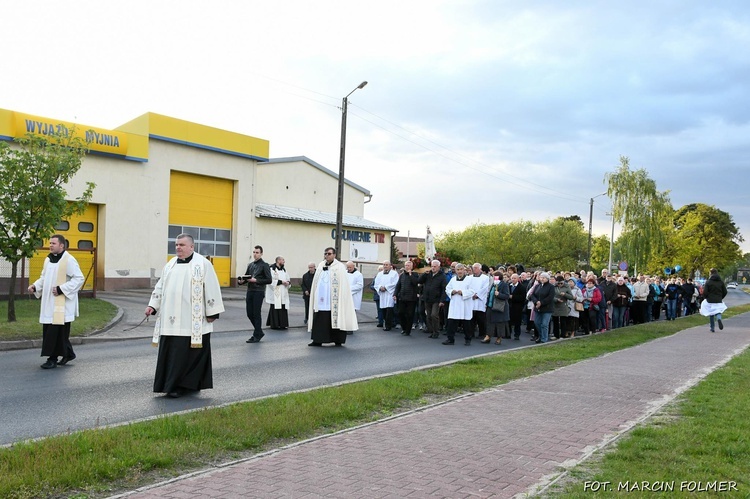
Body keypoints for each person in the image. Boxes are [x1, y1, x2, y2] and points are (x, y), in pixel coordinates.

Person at [145, 234, 224, 398]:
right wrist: (152, 305)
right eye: (176, 245)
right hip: (170, 320)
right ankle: (169, 384)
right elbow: (160, 287)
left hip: (192, 321)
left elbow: (212, 286)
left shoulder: (202, 264)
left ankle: (186, 385)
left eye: (181, 245)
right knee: (172, 354)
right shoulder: (170, 264)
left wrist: (212, 312)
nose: (178, 248)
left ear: (191, 247)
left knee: (191, 355)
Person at [28, 235, 84, 369]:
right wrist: (35, 286)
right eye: (50, 243)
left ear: (61, 246)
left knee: (55, 331)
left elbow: (79, 278)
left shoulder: (69, 260)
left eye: (53, 243)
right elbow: (44, 277)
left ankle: (52, 359)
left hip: (62, 303)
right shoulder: (48, 259)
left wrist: (61, 289)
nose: (50, 245)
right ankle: (68, 354)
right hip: (49, 302)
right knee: (56, 332)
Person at [307, 247, 358, 346]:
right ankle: (317, 340)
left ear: (334, 255)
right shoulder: (321, 265)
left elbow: (344, 285)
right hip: (322, 300)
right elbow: (315, 283)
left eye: (329, 254)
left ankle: (337, 340)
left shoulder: (339, 267)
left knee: (335, 318)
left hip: (334, 300)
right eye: (325, 253)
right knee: (320, 318)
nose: (327, 255)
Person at [238, 245, 272, 343]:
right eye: (254, 252)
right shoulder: (251, 265)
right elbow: (246, 277)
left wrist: (256, 280)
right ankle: (259, 331)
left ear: (261, 254)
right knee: (249, 313)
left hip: (259, 291)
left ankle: (256, 334)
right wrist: (241, 281)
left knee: (256, 313)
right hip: (250, 291)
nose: (255, 254)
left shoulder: (264, 265)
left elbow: (269, 280)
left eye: (257, 252)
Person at [443, 263, 474, 345]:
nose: (459, 271)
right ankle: (450, 339)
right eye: (458, 270)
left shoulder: (469, 280)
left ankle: (468, 339)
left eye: (461, 269)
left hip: (465, 304)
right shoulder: (453, 279)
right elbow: (447, 288)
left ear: (464, 270)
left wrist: (463, 292)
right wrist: (451, 292)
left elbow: (472, 291)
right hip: (455, 303)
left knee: (466, 323)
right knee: (452, 322)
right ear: (455, 271)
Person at [419, 259, 447, 339]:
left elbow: (444, 289)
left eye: (435, 266)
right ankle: (431, 330)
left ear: (439, 267)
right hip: (427, 298)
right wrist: (424, 274)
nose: (433, 268)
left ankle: (436, 331)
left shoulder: (442, 276)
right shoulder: (428, 274)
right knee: (428, 316)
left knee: (434, 315)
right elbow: (419, 281)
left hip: (436, 299)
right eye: (432, 266)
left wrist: (442, 300)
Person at [265, 256, 291, 330]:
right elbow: (270, 281)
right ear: (278, 261)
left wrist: (288, 283)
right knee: (275, 307)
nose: (284, 262)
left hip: (283, 292)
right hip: (275, 292)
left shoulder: (284, 270)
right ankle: (275, 324)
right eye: (283, 260)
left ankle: (283, 324)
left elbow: (288, 279)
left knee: (283, 307)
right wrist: (281, 282)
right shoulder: (272, 269)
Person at [394, 260, 419, 336]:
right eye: (406, 265)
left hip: (411, 298)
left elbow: (415, 283)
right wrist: (395, 294)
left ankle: (408, 330)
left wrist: (410, 274)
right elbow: (398, 286)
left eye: (408, 265)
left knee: (410, 315)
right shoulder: (402, 275)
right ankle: (404, 328)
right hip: (402, 297)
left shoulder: (415, 274)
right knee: (400, 313)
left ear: (412, 267)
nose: (407, 267)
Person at [700, 268, 728, 333]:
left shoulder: (708, 282)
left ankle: (712, 328)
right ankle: (719, 319)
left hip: (710, 300)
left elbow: (705, 292)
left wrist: (705, 297)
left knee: (711, 313)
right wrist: (721, 297)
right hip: (718, 299)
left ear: (711, 273)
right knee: (718, 311)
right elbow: (725, 291)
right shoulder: (721, 282)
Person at [373, 261, 399, 330]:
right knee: (383, 309)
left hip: (390, 294)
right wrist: (380, 287)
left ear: (390, 265)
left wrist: (386, 287)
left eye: (387, 265)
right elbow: (376, 284)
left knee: (389, 310)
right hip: (382, 294)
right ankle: (385, 323)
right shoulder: (379, 274)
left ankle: (388, 325)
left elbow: (395, 283)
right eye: (384, 264)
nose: (385, 266)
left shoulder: (394, 273)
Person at [467, 263, 490, 339]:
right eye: (473, 268)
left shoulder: (485, 278)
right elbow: (467, 287)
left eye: (476, 268)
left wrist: (477, 295)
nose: (474, 269)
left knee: (481, 319)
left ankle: (482, 333)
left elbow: (485, 288)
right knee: (471, 318)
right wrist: (471, 294)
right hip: (471, 299)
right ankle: (470, 333)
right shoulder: (469, 278)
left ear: (480, 269)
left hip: (480, 300)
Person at [531, 272, 555, 343]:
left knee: (544, 324)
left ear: (547, 279)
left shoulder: (551, 287)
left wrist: (541, 302)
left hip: (547, 308)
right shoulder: (537, 286)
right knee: (537, 323)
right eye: (541, 277)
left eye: (543, 278)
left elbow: (550, 297)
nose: (542, 279)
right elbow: (532, 295)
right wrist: (536, 302)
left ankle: (544, 338)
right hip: (537, 308)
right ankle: (540, 336)